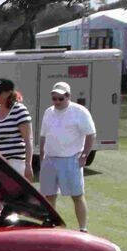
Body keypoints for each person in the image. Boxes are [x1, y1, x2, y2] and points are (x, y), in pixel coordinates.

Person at [39, 81, 95, 232]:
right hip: (50, 159)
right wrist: (42, 155)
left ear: (68, 96)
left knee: (77, 195)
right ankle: (52, 225)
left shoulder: (80, 111)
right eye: (54, 98)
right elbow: (43, 135)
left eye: (60, 99)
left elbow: (91, 134)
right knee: (49, 196)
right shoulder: (48, 112)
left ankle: (83, 228)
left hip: (71, 159)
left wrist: (84, 155)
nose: (57, 102)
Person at [0, 78, 33, 209]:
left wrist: (28, 165)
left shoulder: (19, 110)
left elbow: (28, 140)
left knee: (5, 204)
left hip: (14, 163)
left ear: (9, 93)